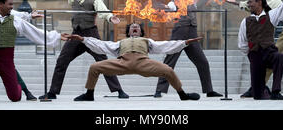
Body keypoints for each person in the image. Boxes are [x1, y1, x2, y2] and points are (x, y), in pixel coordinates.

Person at [39, 0, 129, 100]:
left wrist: (109, 17)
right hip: (76, 35)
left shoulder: (95, 0)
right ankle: (53, 92)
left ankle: (119, 91)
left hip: (91, 34)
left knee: (103, 61)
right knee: (62, 60)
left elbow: (102, 10)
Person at [68, 23, 202, 101]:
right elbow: (102, 45)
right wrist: (83, 39)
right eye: (132, 27)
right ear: (129, 31)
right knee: (94, 67)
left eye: (137, 26)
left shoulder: (147, 41)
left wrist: (184, 43)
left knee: (168, 70)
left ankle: (182, 94)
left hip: (143, 64)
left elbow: (165, 46)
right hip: (122, 64)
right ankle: (89, 94)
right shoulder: (121, 42)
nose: (135, 27)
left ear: (141, 31)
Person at [154, 0, 222, 98]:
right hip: (179, 34)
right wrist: (163, 8)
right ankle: (159, 90)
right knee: (169, 62)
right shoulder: (174, 1)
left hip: (192, 34)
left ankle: (209, 90)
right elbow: (170, 8)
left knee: (202, 62)